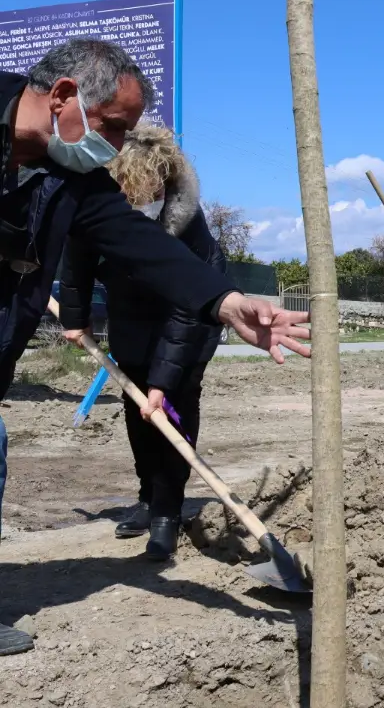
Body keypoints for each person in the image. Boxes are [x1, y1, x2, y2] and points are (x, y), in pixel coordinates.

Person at [0, 39, 309, 656]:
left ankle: (160, 506)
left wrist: (225, 302)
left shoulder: (73, 174)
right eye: (114, 127)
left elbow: (137, 243)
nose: (117, 147)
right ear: (63, 98)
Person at [59, 124, 225, 561]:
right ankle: (148, 496)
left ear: (162, 176)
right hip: (130, 309)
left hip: (191, 317)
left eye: (139, 184)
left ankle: (168, 511)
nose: (131, 191)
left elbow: (185, 311)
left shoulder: (188, 226)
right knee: (136, 403)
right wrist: (77, 318)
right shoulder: (106, 198)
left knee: (173, 404)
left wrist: (164, 381)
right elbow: (77, 256)